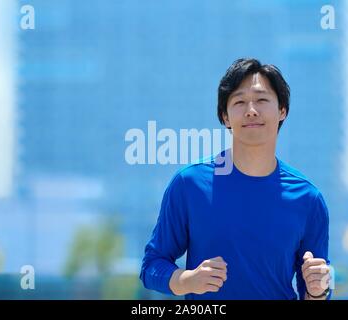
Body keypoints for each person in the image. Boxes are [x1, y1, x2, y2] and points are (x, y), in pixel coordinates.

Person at [139, 58, 331, 300]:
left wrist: (318, 291)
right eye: (239, 102)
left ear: (282, 110)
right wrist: (187, 280)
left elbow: (319, 285)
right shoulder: (189, 184)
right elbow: (151, 266)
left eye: (262, 100)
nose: (251, 110)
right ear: (225, 117)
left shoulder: (308, 198)